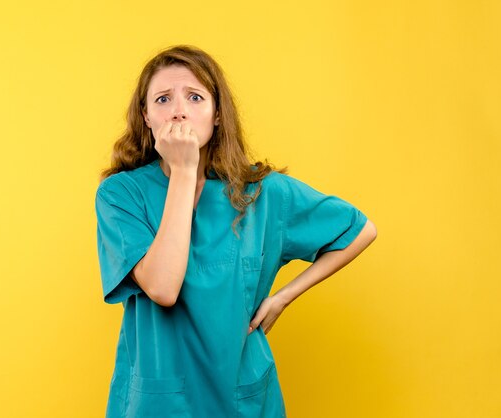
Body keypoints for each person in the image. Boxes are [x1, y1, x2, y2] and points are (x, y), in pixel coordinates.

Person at [95, 44, 377, 418]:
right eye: (163, 99)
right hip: (159, 401)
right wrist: (182, 171)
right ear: (147, 117)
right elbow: (163, 288)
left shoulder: (263, 193)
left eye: (195, 97)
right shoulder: (121, 195)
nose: (179, 109)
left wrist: (281, 298)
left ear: (216, 116)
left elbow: (360, 230)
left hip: (242, 397)